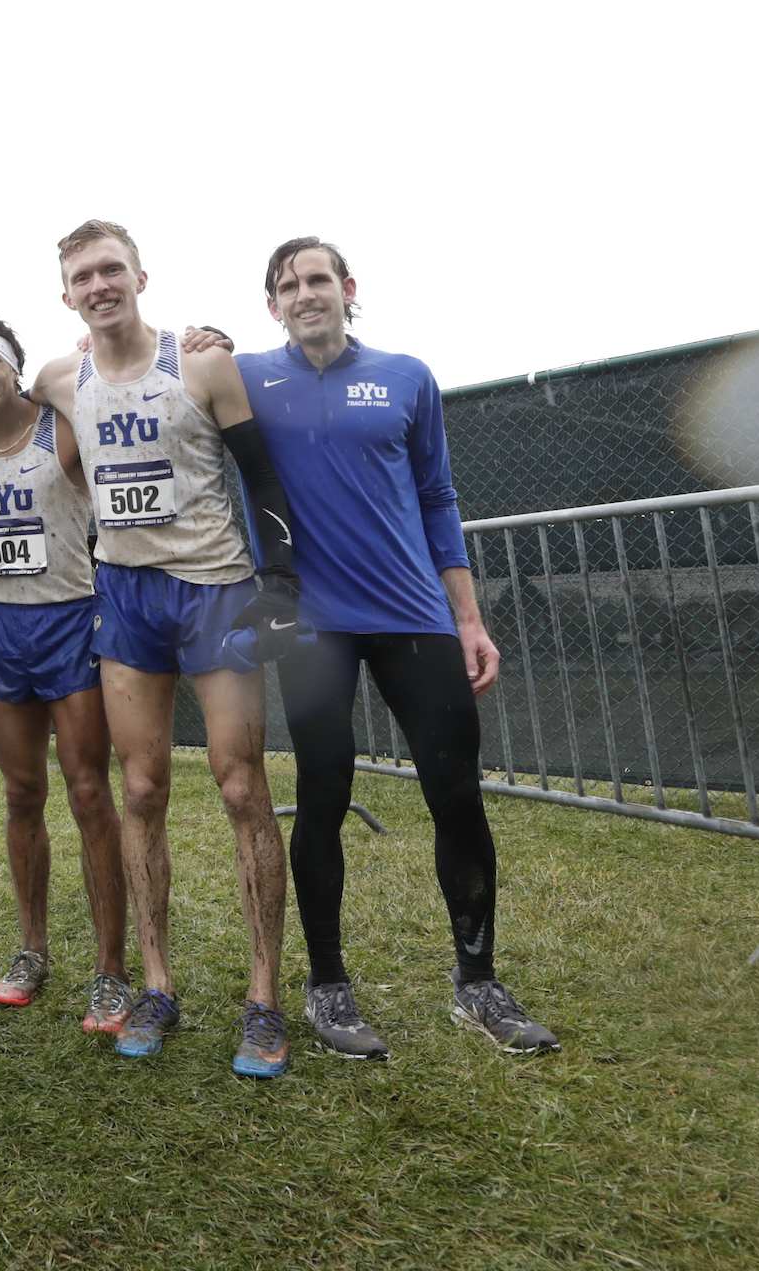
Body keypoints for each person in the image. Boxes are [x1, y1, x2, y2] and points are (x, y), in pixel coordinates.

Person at [193, 237, 557, 1056]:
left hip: (413, 614)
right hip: (313, 623)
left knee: (456, 794)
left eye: (317, 278)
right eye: (286, 285)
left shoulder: (407, 376)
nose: (304, 293)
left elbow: (437, 496)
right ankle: (329, 989)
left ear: (347, 287)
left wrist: (468, 617)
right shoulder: (245, 376)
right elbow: (150, 384)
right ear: (271, 304)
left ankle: (479, 985)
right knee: (322, 794)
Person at [24, 219, 307, 1077]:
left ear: (141, 275)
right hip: (126, 596)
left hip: (213, 590)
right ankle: (156, 984)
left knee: (238, 782)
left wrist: (283, 580)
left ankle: (264, 1000)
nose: (101, 284)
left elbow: (262, 477)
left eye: (112, 269)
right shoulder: (58, 377)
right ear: (67, 294)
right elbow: (8, 400)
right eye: (84, 276)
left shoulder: (203, 362)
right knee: (140, 787)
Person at [0, 314, 133, 1034]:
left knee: (87, 792)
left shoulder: (61, 427)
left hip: (70, 620)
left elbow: (114, 392)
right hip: (0, 627)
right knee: (22, 793)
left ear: (13, 366)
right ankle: (32, 949)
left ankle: (111, 971)